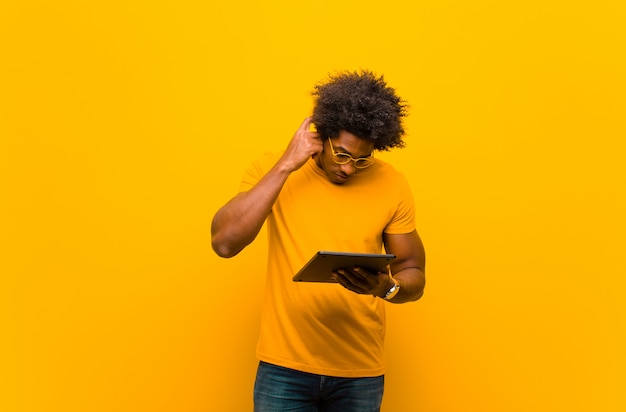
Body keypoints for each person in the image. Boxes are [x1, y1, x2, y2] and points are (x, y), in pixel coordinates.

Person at [211, 70, 426, 412]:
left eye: (362, 159)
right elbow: (224, 242)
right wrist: (286, 164)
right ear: (320, 138)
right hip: (284, 368)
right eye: (341, 154)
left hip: (360, 372)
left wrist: (386, 288)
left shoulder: (392, 183)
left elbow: (413, 271)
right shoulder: (274, 169)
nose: (349, 169)